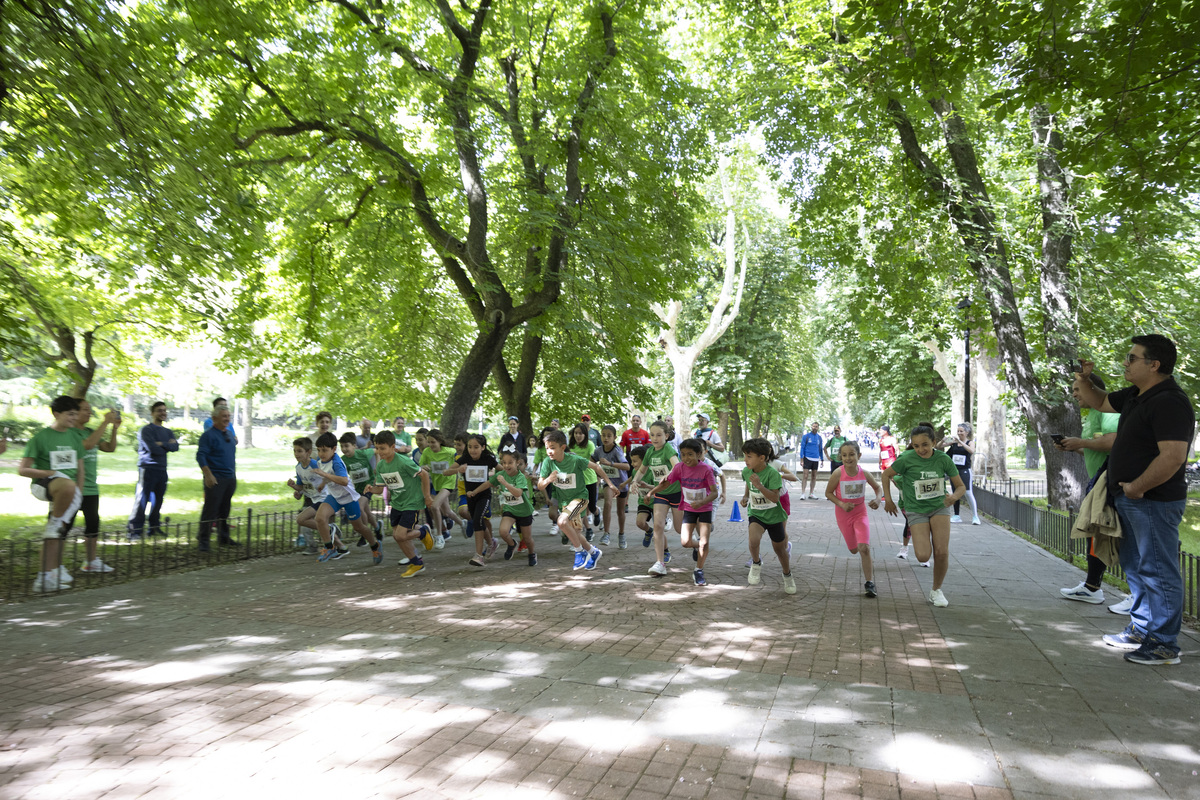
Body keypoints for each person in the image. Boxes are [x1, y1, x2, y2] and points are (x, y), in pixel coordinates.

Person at [1075, 335, 1194, 666]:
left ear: (1153, 365)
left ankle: (1164, 643)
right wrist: (1083, 378)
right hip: (1129, 499)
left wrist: (1138, 488)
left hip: (1152, 501)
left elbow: (1172, 457)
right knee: (1138, 568)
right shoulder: (1137, 395)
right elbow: (1098, 401)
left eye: (1132, 358)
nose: (1125, 363)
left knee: (1158, 570)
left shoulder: (1169, 401)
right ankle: (1141, 630)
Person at [1056, 373, 1123, 608]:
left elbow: (1113, 441)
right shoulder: (1093, 414)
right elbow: (1096, 449)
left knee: (1109, 532)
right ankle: (1092, 587)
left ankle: (1133, 594)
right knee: (1096, 532)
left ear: (1091, 388)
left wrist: (1081, 442)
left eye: (1077, 389)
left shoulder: (1109, 412)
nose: (1074, 394)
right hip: (1098, 480)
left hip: (1109, 482)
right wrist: (1074, 448)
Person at [882, 424, 966, 607]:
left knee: (942, 551)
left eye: (925, 444)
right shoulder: (906, 459)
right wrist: (888, 500)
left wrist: (954, 497)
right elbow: (886, 475)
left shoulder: (943, 459)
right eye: (916, 445)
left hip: (939, 507)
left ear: (934, 442)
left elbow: (961, 486)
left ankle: (936, 591)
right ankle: (924, 542)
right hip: (916, 510)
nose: (921, 449)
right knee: (922, 556)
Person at [18, 396, 86, 593]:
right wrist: (49, 473)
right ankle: (47, 575)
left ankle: (47, 577)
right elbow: (23, 470)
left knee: (56, 532)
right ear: (57, 414)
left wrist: (78, 494)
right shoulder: (40, 438)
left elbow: (80, 470)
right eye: (70, 414)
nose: (74, 418)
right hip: (45, 485)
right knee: (57, 520)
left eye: (76, 414)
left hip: (69, 492)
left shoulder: (74, 437)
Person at [537, 429, 612, 571]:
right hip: (566, 503)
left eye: (552, 448)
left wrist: (610, 484)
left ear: (562, 447)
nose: (549, 451)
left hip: (581, 499)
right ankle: (593, 552)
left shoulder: (574, 459)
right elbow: (540, 485)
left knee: (561, 521)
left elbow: (596, 466)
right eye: (547, 448)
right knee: (576, 534)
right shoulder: (548, 462)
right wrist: (548, 479)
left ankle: (580, 552)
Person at [648, 438, 718, 586]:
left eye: (690, 454)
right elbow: (666, 483)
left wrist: (701, 502)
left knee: (704, 543)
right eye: (683, 454)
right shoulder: (679, 468)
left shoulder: (706, 469)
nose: (686, 458)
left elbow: (714, 493)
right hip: (689, 509)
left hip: (704, 509)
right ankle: (699, 545)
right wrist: (651, 492)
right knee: (685, 542)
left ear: (699, 454)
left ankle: (699, 570)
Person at [368, 430, 433, 578]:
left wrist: (427, 497)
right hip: (397, 504)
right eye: (377, 448)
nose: (379, 451)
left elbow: (424, 474)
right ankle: (416, 562)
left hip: (412, 502)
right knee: (398, 536)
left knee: (400, 535)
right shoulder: (381, 467)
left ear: (393, 447)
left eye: (383, 448)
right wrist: (371, 489)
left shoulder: (404, 462)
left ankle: (423, 532)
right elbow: (379, 489)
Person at [311, 432, 383, 564]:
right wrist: (323, 483)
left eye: (325, 450)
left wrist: (323, 475)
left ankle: (374, 544)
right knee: (320, 518)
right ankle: (329, 547)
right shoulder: (320, 461)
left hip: (348, 497)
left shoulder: (337, 462)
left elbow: (344, 481)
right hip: (334, 496)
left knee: (359, 527)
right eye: (319, 450)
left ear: (333, 449)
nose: (321, 453)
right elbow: (328, 475)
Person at [67, 399, 120, 576]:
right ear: (73, 412)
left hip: (91, 488)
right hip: (71, 487)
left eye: (90, 410)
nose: (89, 413)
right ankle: (53, 567)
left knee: (93, 524)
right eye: (85, 410)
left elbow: (109, 448)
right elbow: (88, 445)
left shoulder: (90, 431)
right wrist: (105, 422)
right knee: (63, 527)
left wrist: (114, 428)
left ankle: (91, 562)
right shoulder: (69, 433)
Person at [740, 438, 797, 594]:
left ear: (762, 458)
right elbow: (748, 483)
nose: (745, 460)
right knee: (753, 540)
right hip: (756, 513)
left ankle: (787, 575)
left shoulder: (773, 474)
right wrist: (745, 497)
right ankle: (756, 563)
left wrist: (759, 485)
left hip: (774, 516)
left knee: (780, 549)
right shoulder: (746, 471)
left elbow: (774, 498)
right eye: (745, 455)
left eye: (749, 456)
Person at [826, 441, 882, 597]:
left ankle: (869, 583)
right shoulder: (838, 473)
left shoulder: (864, 473)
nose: (848, 458)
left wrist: (878, 500)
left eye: (852, 454)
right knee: (853, 549)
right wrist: (842, 504)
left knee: (864, 548)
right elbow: (828, 493)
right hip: (843, 515)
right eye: (844, 455)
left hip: (860, 513)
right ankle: (857, 546)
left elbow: (878, 488)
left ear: (859, 456)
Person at [627, 420, 681, 576]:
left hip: (676, 492)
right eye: (652, 435)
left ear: (667, 436)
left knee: (679, 530)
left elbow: (677, 466)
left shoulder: (668, 449)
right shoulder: (650, 452)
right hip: (661, 493)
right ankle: (660, 563)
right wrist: (635, 482)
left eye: (659, 435)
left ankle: (697, 544)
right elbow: (642, 470)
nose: (655, 438)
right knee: (658, 526)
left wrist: (668, 476)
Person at [454, 434, 512, 566]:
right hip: (470, 496)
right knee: (478, 521)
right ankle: (492, 543)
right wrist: (458, 469)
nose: (472, 450)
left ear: (483, 447)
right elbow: (446, 472)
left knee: (478, 520)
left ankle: (478, 555)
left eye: (476, 447)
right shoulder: (465, 458)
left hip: (484, 495)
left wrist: (505, 478)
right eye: (469, 447)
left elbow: (502, 470)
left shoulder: (488, 458)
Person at [129, 401, 178, 541]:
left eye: (164, 410)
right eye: (159, 410)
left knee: (158, 501)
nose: (162, 413)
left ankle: (154, 527)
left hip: (162, 469)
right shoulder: (146, 430)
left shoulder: (168, 431)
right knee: (142, 500)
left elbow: (176, 447)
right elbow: (153, 449)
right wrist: (167, 446)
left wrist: (162, 444)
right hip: (147, 468)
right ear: (152, 413)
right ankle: (134, 530)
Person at [196, 405, 239, 552]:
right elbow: (201, 456)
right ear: (214, 418)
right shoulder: (208, 436)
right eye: (224, 416)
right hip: (215, 478)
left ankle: (223, 537)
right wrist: (208, 474)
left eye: (228, 416)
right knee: (210, 510)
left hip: (229, 478)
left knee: (224, 510)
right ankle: (203, 540)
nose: (227, 419)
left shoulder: (229, 435)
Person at [486, 449, 538, 565]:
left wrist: (505, 483)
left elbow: (518, 493)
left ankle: (531, 553)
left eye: (510, 462)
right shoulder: (500, 474)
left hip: (524, 511)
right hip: (509, 509)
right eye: (504, 462)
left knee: (527, 539)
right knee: (503, 531)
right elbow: (489, 483)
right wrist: (474, 491)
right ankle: (511, 544)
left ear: (517, 463)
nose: (506, 465)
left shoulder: (520, 477)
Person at [418, 429, 462, 542]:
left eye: (433, 442)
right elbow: (420, 466)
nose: (430, 444)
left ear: (439, 441)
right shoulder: (427, 452)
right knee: (447, 512)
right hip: (437, 484)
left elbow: (462, 459)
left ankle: (439, 535)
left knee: (434, 506)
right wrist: (423, 467)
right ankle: (463, 523)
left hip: (448, 483)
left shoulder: (450, 452)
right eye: (429, 442)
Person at [339, 432, 381, 546]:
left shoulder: (363, 453)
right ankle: (377, 527)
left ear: (354, 445)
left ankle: (364, 535)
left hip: (368, 485)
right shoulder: (342, 460)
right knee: (366, 511)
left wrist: (376, 468)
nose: (344, 449)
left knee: (360, 507)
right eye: (342, 446)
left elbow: (377, 452)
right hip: (356, 489)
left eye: (346, 446)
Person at [595, 425, 630, 547]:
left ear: (614, 437)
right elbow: (591, 461)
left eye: (609, 436)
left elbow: (627, 467)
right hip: (608, 483)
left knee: (620, 511)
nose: (606, 438)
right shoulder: (598, 450)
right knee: (608, 503)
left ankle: (621, 534)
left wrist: (610, 464)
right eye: (603, 435)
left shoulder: (617, 451)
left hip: (621, 484)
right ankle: (606, 533)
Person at [941, 423, 981, 525]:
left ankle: (975, 516)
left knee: (968, 493)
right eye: (958, 431)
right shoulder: (954, 442)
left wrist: (961, 442)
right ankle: (956, 515)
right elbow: (939, 446)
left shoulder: (970, 442)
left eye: (961, 431)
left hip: (965, 471)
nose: (959, 433)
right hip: (954, 471)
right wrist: (943, 440)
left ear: (967, 432)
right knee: (956, 493)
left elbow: (971, 451)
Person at [568, 424, 601, 539]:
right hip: (576, 481)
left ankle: (597, 512)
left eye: (581, 433)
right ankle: (588, 529)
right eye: (576, 433)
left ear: (585, 435)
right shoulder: (570, 446)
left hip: (590, 479)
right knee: (580, 508)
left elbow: (593, 461)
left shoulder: (590, 445)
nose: (578, 435)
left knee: (591, 507)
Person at [799, 422, 824, 499]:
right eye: (813, 426)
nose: (815, 428)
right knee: (805, 475)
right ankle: (803, 493)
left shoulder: (819, 438)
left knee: (814, 476)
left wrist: (822, 459)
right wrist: (801, 459)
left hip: (816, 459)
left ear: (818, 428)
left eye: (816, 426)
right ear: (811, 427)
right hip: (807, 458)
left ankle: (811, 493)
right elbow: (802, 448)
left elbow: (820, 449)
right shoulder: (806, 436)